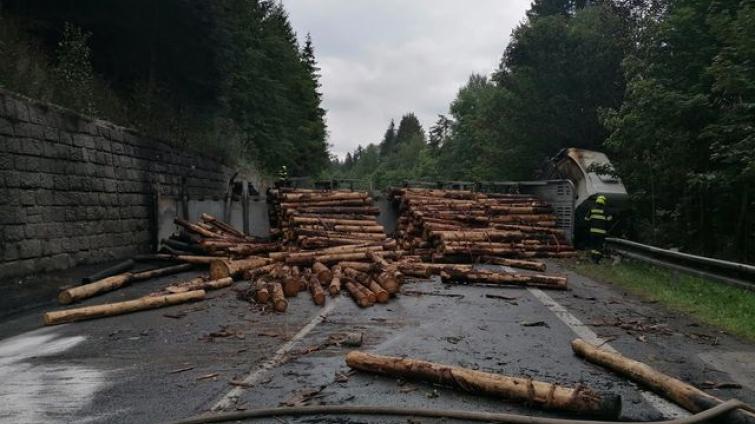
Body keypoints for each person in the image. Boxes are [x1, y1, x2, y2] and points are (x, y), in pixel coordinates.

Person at [585, 195, 611, 263]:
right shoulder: (605, 210)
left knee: (593, 246)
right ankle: (596, 260)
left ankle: (593, 258)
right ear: (603, 202)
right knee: (599, 246)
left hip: (592, 231)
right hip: (601, 232)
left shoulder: (592, 209)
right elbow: (609, 220)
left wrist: (592, 221)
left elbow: (586, 219)